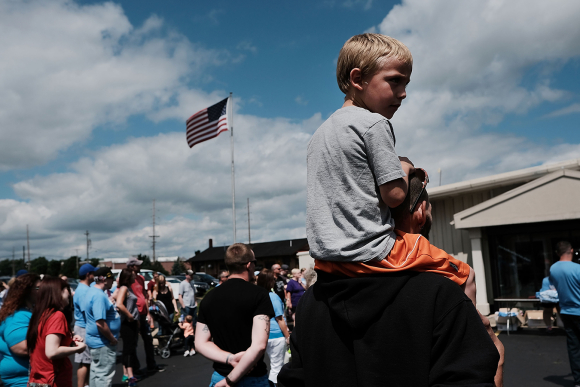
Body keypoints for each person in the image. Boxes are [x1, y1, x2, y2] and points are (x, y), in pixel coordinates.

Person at [279, 172, 503, 386]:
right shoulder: (443, 295)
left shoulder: (313, 299)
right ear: (421, 212)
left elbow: (295, 378)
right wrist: (497, 358)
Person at [306, 33, 475, 299]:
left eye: (406, 83)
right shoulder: (374, 124)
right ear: (357, 79)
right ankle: (482, 333)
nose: (403, 93)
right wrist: (404, 165)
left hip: (326, 260)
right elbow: (395, 196)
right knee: (464, 274)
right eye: (394, 81)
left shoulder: (320, 134)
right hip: (371, 251)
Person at [195, 243, 275, 387]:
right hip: (250, 379)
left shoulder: (209, 298)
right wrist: (229, 381)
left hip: (219, 377)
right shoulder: (259, 295)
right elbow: (259, 345)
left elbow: (200, 343)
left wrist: (230, 359)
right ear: (249, 265)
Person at [27, 277, 86, 387]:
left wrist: (69, 340)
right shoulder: (57, 316)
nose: (69, 293)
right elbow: (52, 351)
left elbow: (45, 341)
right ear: (58, 292)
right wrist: (79, 348)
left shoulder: (42, 314)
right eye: (66, 289)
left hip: (39, 380)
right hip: (54, 380)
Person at [83, 267, 121, 387]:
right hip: (102, 343)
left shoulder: (92, 291)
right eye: (111, 278)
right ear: (103, 279)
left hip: (96, 341)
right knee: (103, 377)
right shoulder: (99, 296)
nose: (113, 281)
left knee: (96, 373)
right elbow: (100, 322)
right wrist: (112, 339)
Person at [0, 273, 40, 387]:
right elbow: (21, 348)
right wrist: (56, 344)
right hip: (22, 380)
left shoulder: (22, 312)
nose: (42, 291)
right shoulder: (19, 315)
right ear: (28, 291)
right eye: (38, 288)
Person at [549, 241, 580, 386]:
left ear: (557, 253)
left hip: (566, 311)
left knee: (574, 346)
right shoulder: (577, 268)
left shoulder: (553, 269)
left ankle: (578, 380)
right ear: (572, 251)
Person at [126, 257, 163, 374]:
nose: (140, 267)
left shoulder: (141, 278)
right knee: (133, 343)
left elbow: (144, 296)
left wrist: (148, 314)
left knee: (148, 339)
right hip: (133, 315)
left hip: (143, 313)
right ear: (132, 267)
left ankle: (151, 364)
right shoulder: (127, 279)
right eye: (137, 265)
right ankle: (135, 369)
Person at [257, 271, 290, 386]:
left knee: (267, 366)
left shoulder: (257, 296)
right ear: (269, 282)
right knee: (277, 367)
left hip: (261, 335)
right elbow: (279, 319)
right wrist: (288, 336)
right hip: (276, 335)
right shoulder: (273, 297)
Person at [115, 269, 140, 387]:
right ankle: (130, 377)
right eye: (133, 276)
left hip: (133, 323)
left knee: (130, 348)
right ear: (127, 277)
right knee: (128, 349)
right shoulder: (124, 288)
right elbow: (119, 304)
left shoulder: (128, 288)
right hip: (127, 323)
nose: (135, 278)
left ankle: (127, 374)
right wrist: (129, 316)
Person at [73, 264, 96, 387]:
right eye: (93, 273)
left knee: (86, 361)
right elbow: (86, 312)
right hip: (83, 328)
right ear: (88, 275)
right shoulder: (83, 291)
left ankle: (86, 384)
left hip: (84, 327)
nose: (95, 276)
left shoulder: (84, 288)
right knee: (84, 361)